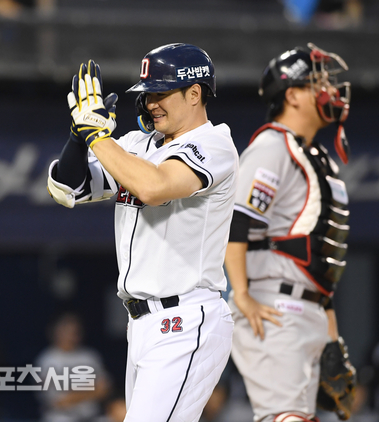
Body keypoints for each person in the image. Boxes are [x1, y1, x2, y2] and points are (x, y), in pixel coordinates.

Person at [46, 44, 239, 421]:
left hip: (186, 318)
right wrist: (79, 135)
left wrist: (98, 137)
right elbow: (66, 188)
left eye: (161, 92)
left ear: (194, 93)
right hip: (143, 324)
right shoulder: (137, 144)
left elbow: (154, 187)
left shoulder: (215, 143)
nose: (150, 103)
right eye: (148, 94)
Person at [225, 43, 356, 422]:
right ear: (293, 95)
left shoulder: (316, 156)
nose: (330, 90)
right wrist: (242, 295)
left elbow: (321, 262)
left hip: (308, 309)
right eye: (318, 83)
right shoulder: (272, 146)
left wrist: (331, 334)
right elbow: (237, 221)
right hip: (272, 306)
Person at [35, 312, 111, 422]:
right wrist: (91, 390)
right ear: (56, 332)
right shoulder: (47, 360)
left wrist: (75, 394)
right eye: (67, 331)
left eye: (75, 332)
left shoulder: (90, 356)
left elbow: (104, 389)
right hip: (60, 417)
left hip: (92, 416)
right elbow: (59, 401)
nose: (72, 336)